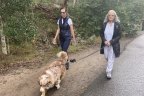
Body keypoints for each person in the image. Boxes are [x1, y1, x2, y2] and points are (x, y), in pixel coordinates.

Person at [100, 10, 121, 79]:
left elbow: (119, 36)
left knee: (111, 58)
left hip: (113, 45)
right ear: (107, 16)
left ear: (115, 16)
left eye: (112, 15)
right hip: (105, 44)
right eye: (109, 15)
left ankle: (108, 72)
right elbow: (101, 34)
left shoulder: (117, 25)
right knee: (106, 57)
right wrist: (105, 41)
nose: (110, 16)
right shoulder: (104, 24)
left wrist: (111, 42)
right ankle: (110, 65)